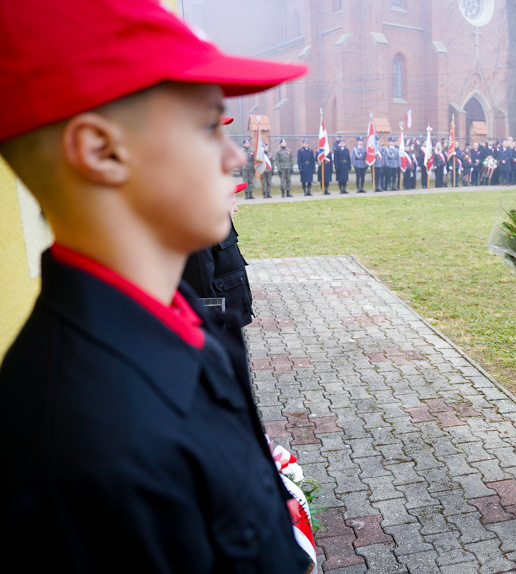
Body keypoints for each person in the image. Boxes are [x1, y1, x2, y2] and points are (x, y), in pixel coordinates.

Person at [0, 0, 312, 571]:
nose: (236, 154)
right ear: (101, 150)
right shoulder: (89, 453)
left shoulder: (181, 317)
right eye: (203, 126)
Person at [183, 184, 254, 325]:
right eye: (232, 204)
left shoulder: (221, 226)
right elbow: (201, 280)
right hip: (220, 319)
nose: (236, 209)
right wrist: (212, 322)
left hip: (231, 310)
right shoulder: (203, 230)